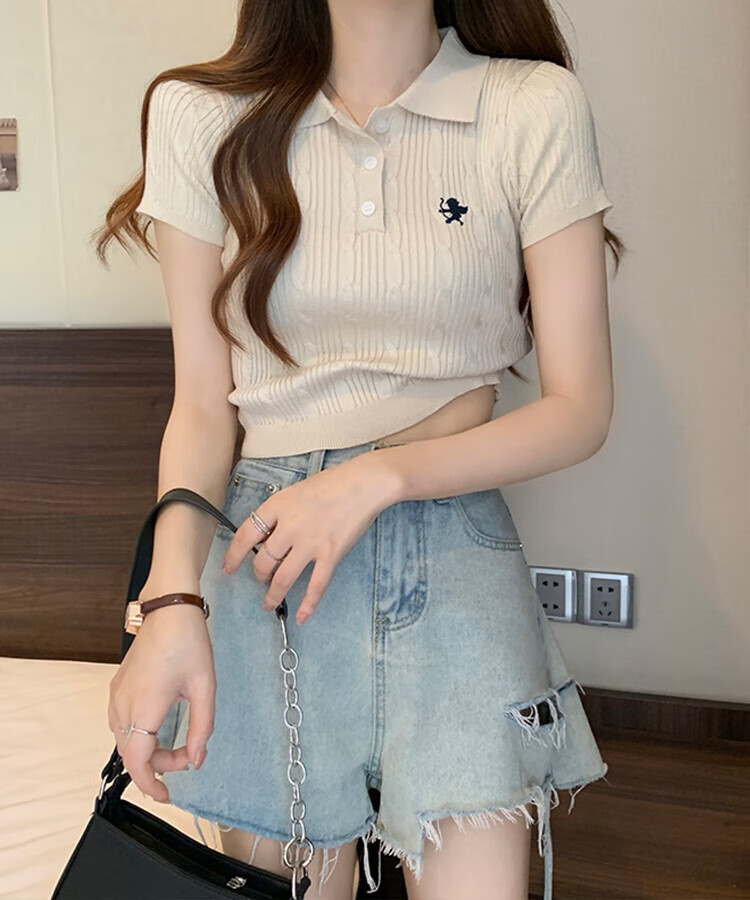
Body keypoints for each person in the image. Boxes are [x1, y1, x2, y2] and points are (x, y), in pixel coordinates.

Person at [96, 2, 624, 898]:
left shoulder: (530, 105)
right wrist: (171, 600)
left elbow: (580, 409)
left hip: (453, 556)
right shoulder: (203, 117)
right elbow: (202, 406)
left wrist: (372, 478)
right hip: (269, 564)